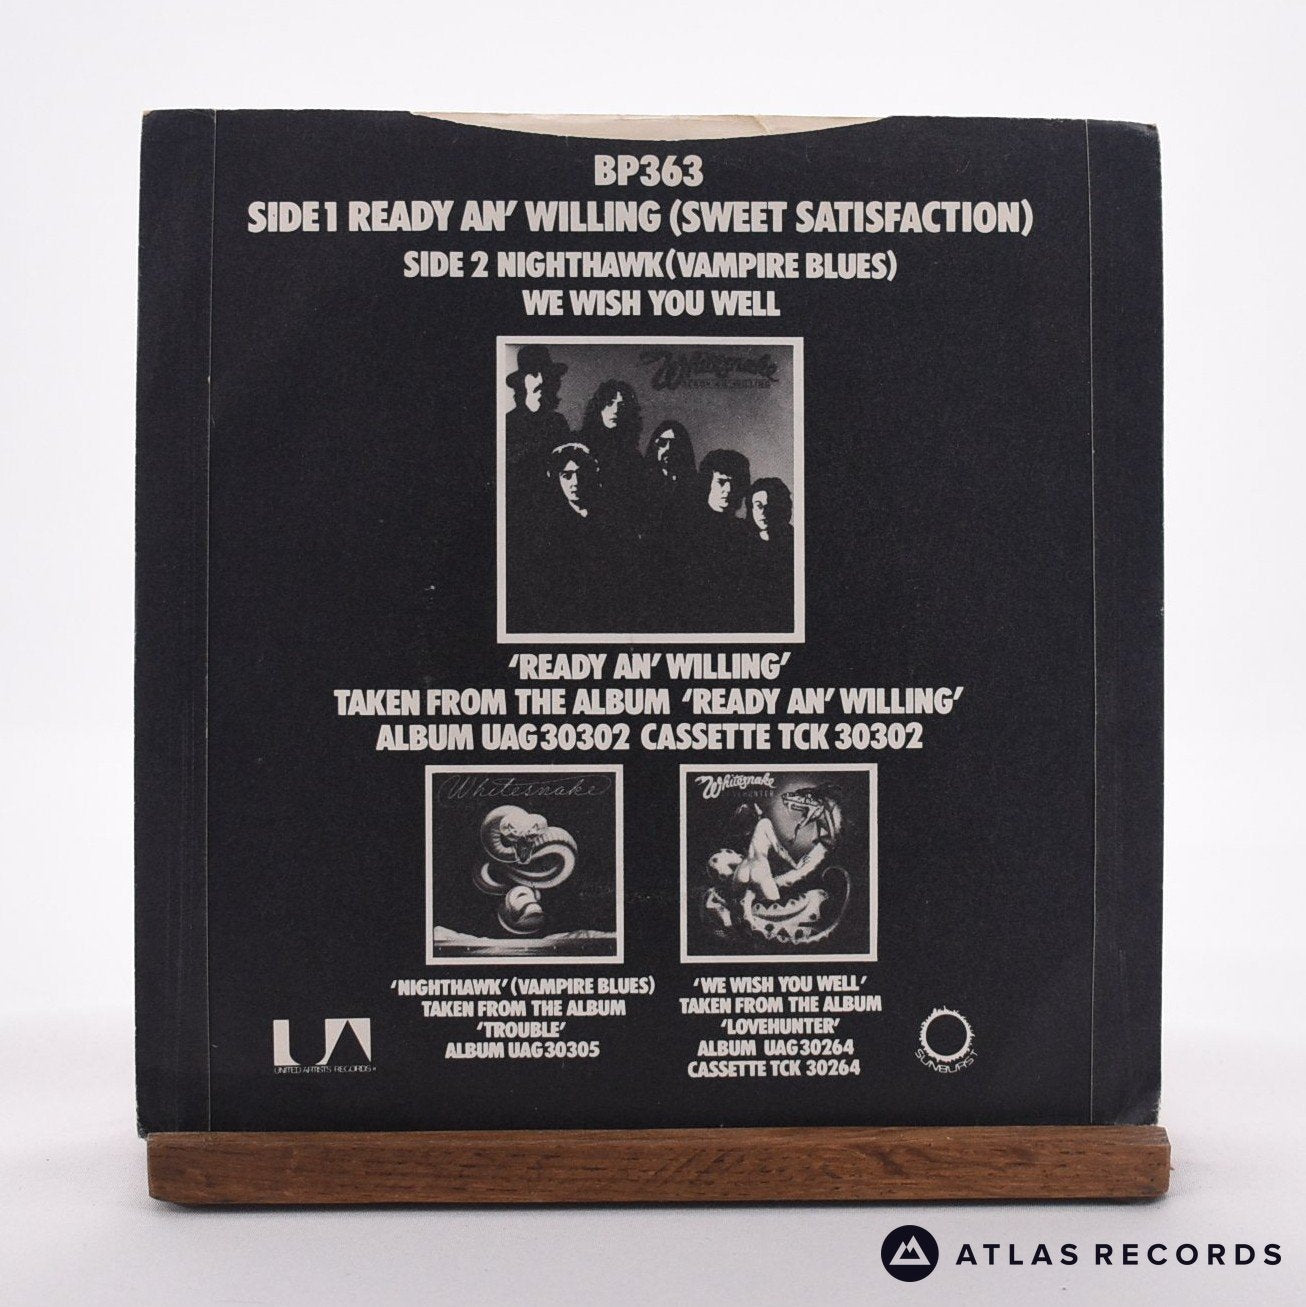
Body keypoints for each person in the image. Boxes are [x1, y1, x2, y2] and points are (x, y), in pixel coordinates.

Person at [504, 344, 570, 471]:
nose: (540, 379)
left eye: (545, 373)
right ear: (522, 381)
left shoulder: (558, 422)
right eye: (533, 373)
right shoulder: (508, 422)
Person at [747, 476, 795, 632]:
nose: (763, 512)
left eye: (770, 506)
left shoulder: (794, 540)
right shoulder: (743, 541)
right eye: (758, 506)